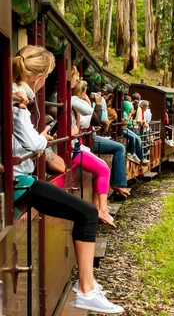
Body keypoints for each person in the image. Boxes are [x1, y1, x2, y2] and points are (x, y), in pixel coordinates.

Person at [12, 45, 124, 313]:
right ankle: (86, 290)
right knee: (86, 213)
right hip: (20, 182)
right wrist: (43, 139)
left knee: (85, 212)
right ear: (36, 77)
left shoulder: (16, 99)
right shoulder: (19, 103)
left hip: (21, 178)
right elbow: (32, 143)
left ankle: (87, 286)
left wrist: (39, 140)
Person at [71, 76, 116, 227]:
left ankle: (98, 207)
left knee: (102, 167)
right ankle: (101, 209)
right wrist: (91, 103)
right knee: (104, 169)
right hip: (73, 149)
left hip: (75, 146)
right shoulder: (73, 101)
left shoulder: (71, 101)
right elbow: (93, 119)